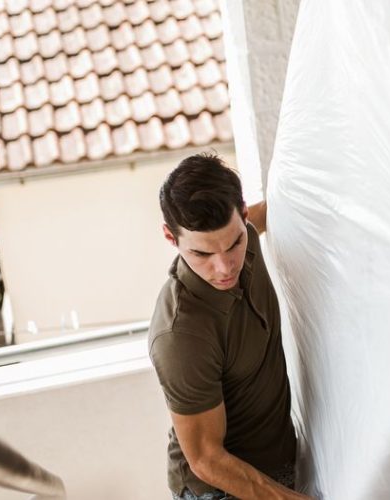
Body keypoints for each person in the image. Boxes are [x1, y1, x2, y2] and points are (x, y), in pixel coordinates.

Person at [149, 153, 310, 500]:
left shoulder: (245, 233)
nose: (224, 267)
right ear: (170, 237)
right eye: (202, 255)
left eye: (234, 243)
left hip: (277, 460)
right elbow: (207, 459)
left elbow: (283, 205)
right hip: (220, 488)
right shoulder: (181, 335)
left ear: (244, 215)